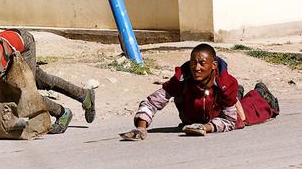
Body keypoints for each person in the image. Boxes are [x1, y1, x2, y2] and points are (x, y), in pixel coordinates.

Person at [120, 43, 280, 140]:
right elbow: (152, 103)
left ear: (214, 66)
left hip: (216, 113)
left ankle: (262, 96)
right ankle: (236, 95)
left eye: (202, 63)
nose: (197, 68)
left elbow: (229, 121)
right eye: (193, 63)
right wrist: (141, 128)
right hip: (195, 117)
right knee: (229, 102)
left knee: (245, 118)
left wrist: (206, 128)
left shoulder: (225, 83)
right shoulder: (180, 80)